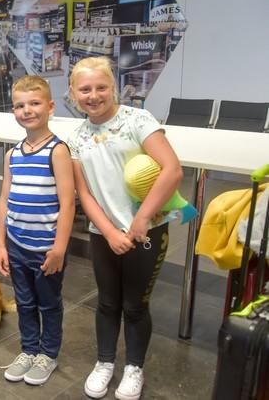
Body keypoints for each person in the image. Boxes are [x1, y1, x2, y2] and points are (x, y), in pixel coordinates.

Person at [65, 57, 183, 400]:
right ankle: (105, 362)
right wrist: (109, 231)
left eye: (101, 87)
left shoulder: (137, 120)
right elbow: (84, 193)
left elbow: (172, 169)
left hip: (147, 231)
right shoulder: (76, 138)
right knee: (106, 302)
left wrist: (141, 219)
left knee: (134, 305)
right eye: (85, 89)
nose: (94, 95)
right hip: (105, 235)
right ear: (73, 93)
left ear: (113, 87)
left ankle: (134, 367)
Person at [0, 75, 75, 386]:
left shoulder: (57, 151)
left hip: (47, 248)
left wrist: (59, 248)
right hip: (16, 244)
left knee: (49, 303)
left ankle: (48, 354)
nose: (27, 110)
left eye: (34, 103)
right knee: (24, 302)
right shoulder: (12, 154)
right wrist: (1, 244)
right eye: (19, 105)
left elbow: (68, 204)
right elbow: (4, 199)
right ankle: (28, 350)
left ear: (50, 106)